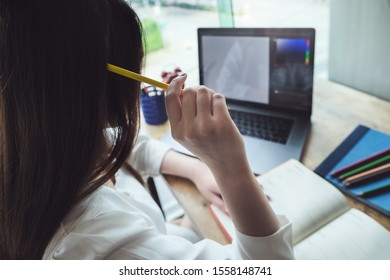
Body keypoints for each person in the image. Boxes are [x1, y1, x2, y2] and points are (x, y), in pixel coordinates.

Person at [0, 0, 294, 259]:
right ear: (104, 89)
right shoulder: (111, 248)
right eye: (137, 66)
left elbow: (130, 146)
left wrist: (197, 170)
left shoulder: (39, 143)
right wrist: (230, 166)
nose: (142, 81)